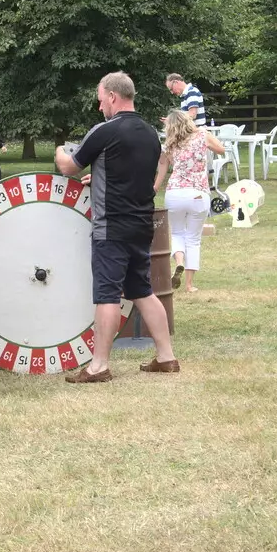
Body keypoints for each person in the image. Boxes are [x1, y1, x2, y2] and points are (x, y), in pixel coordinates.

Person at [56, 72, 179, 382]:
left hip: (111, 227)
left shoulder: (105, 131)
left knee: (107, 295)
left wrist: (60, 151)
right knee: (142, 290)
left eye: (101, 100)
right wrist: (98, 177)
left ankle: (98, 366)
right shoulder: (150, 132)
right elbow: (130, 172)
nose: (100, 107)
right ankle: (166, 358)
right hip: (142, 224)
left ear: (112, 96)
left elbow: (69, 166)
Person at [154, 110, 225, 294]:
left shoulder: (169, 143)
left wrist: (154, 187)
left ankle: (179, 262)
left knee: (177, 233)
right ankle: (189, 284)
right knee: (193, 239)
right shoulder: (202, 135)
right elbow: (221, 149)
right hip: (198, 193)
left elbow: (163, 166)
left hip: (174, 193)